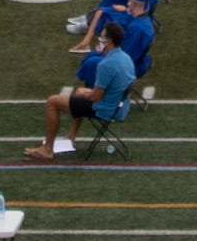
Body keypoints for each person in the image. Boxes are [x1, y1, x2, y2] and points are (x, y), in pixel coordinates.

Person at [27, 21, 136, 159]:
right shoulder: (126, 58)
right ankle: (70, 137)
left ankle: (47, 149)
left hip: (105, 109)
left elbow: (94, 98)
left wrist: (86, 93)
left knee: (52, 102)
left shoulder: (106, 64)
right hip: (120, 106)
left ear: (108, 41)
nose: (99, 39)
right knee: (79, 93)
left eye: (101, 37)